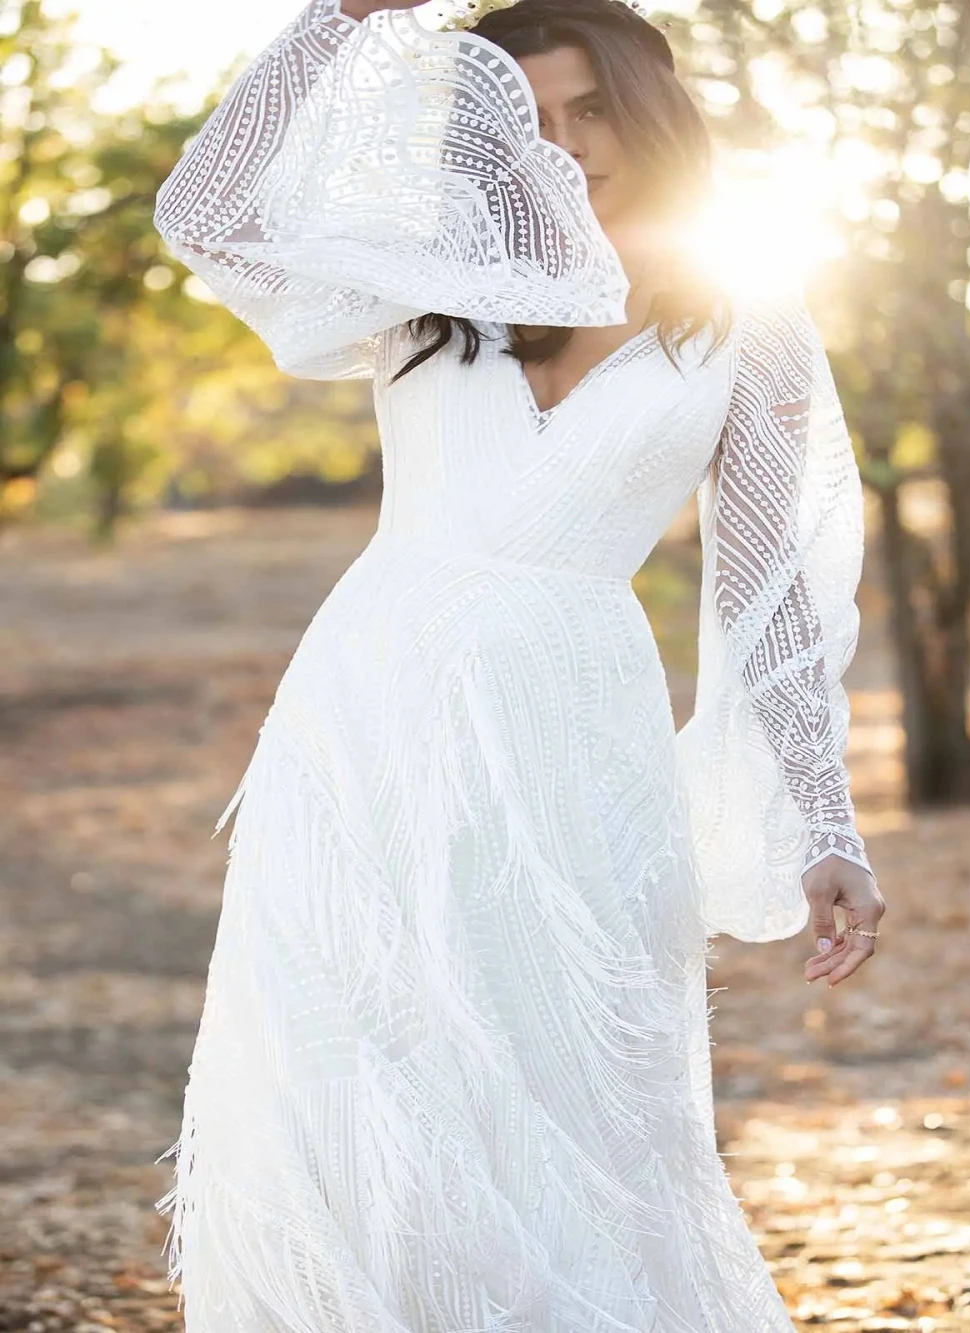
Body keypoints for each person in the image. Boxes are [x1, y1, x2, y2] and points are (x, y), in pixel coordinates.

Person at [152, 0, 887, 1328]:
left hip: (576, 726)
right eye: (532, 118)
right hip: (369, 710)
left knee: (577, 1090)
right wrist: (337, 24)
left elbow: (769, 599)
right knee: (352, 1069)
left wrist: (826, 822)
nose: (567, 147)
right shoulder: (428, 277)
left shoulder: (744, 317)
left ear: (649, 115)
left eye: (592, 109)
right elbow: (206, 217)